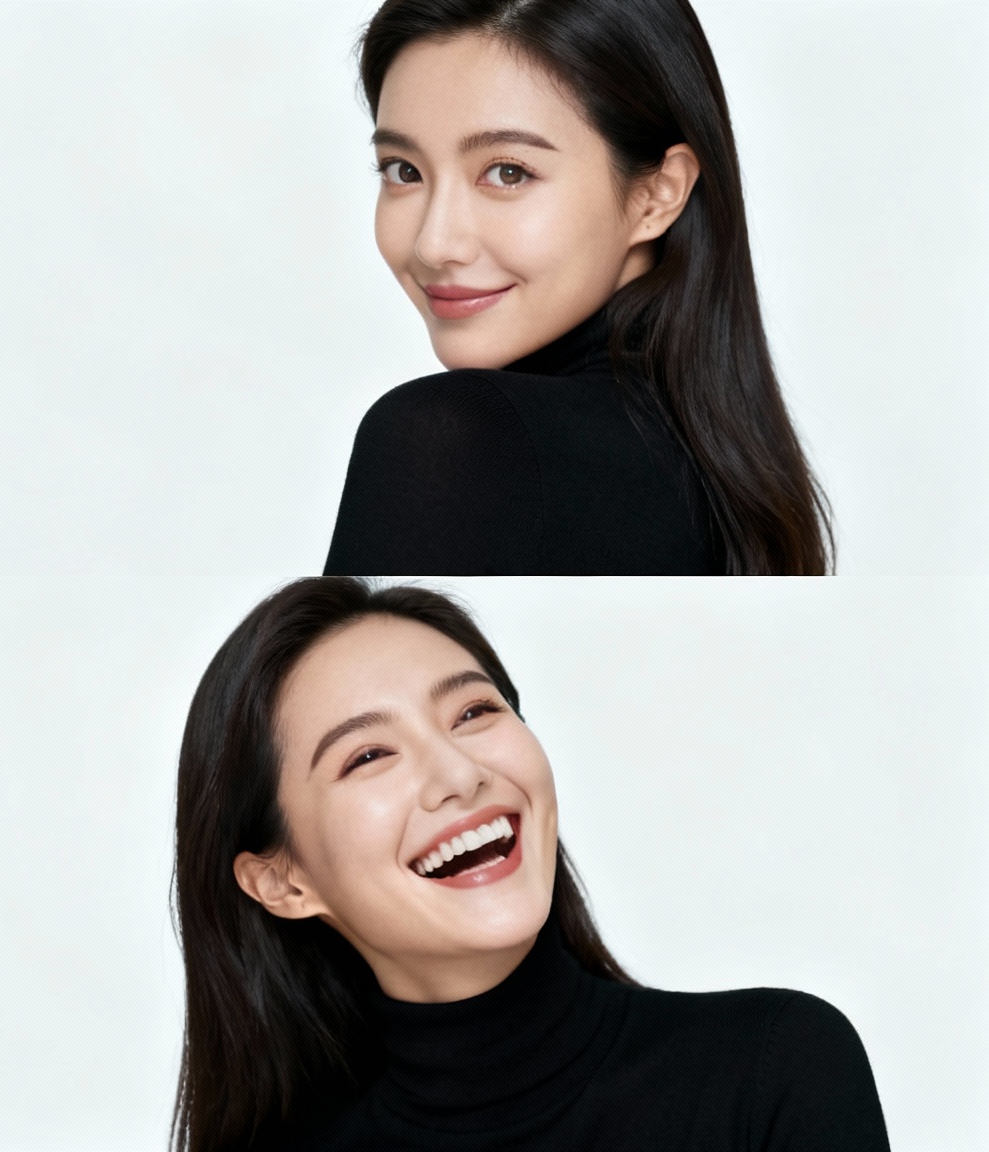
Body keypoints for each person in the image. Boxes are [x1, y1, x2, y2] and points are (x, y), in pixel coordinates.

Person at [172, 577, 886, 1150]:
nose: (458, 772)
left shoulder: (774, 1070)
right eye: (368, 755)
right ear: (282, 882)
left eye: (474, 713)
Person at [323, 0, 829, 575]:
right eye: (403, 171)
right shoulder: (718, 468)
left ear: (658, 194)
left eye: (508, 172)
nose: (434, 244)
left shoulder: (455, 436)